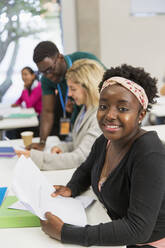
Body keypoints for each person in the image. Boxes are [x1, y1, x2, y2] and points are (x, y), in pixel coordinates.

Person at [40, 64, 165, 247]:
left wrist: (65, 232)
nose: (109, 115)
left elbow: (138, 229)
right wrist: (72, 188)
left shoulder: (149, 153)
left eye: (122, 109)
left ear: (141, 115)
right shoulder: (104, 141)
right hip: (118, 234)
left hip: (149, 242)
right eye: (104, 106)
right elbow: (86, 169)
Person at [16, 59, 104, 170]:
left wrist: (34, 157)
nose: (69, 94)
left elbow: (79, 158)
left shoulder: (99, 118)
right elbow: (79, 144)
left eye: (73, 89)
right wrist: (62, 147)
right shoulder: (85, 109)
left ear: (88, 87)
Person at [27, 40, 105, 150]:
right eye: (42, 72)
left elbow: (108, 86)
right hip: (77, 123)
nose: (47, 76)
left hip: (96, 119)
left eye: (50, 69)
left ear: (60, 57)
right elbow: (47, 111)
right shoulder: (46, 79)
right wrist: (42, 142)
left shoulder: (84, 60)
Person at [6, 67, 42, 139]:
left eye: (26, 74)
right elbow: (20, 99)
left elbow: (29, 105)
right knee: (10, 130)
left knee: (11, 131)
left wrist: (25, 89)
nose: (23, 77)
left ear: (33, 76)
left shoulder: (38, 87)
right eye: (22, 75)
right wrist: (16, 103)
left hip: (38, 118)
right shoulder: (29, 86)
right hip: (32, 115)